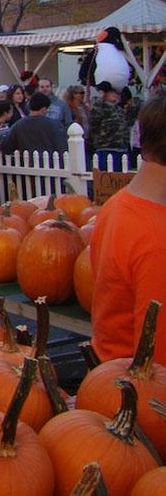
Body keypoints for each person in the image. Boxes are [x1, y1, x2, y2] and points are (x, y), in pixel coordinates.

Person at [90, 93, 166, 366]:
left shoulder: (116, 205)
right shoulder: (156, 240)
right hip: (138, 385)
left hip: (109, 363)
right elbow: (156, 360)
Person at [0, 92, 68, 155]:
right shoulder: (54, 125)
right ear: (43, 109)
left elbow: (6, 147)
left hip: (26, 166)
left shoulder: (18, 125)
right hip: (51, 166)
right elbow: (62, 148)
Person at [89, 81, 129, 156]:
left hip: (121, 147)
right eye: (111, 92)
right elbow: (94, 120)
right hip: (106, 147)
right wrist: (101, 97)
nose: (115, 95)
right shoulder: (100, 107)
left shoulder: (118, 109)